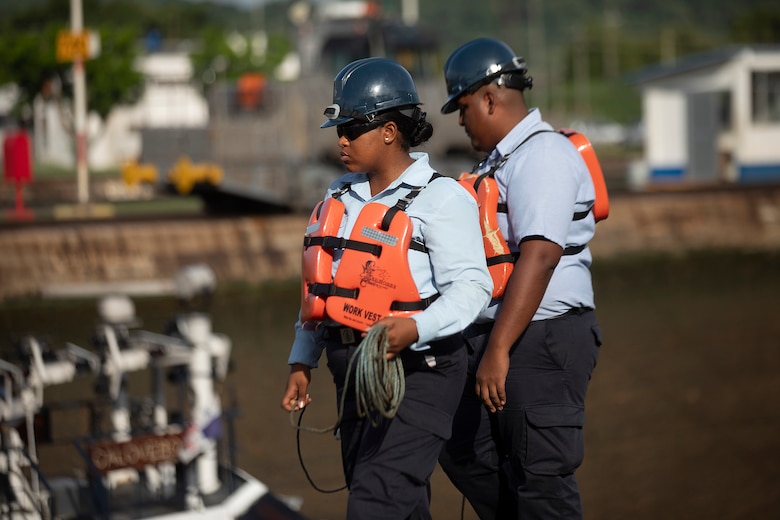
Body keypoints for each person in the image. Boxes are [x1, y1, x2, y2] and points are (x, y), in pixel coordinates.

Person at [279, 57, 493, 520]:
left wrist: (415, 329)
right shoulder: (338, 195)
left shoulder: (442, 198)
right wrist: (302, 359)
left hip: (421, 372)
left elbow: (473, 286)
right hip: (353, 373)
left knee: (376, 502)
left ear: (390, 131)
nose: (341, 139)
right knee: (396, 502)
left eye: (352, 128)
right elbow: (326, 288)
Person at [436, 38, 603, 519]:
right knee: (461, 447)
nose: (461, 121)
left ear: (489, 98)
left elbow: (541, 255)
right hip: (507, 331)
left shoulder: (542, 153)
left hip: (543, 336)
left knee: (541, 479)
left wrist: (499, 349)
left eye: (463, 107)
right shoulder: (500, 160)